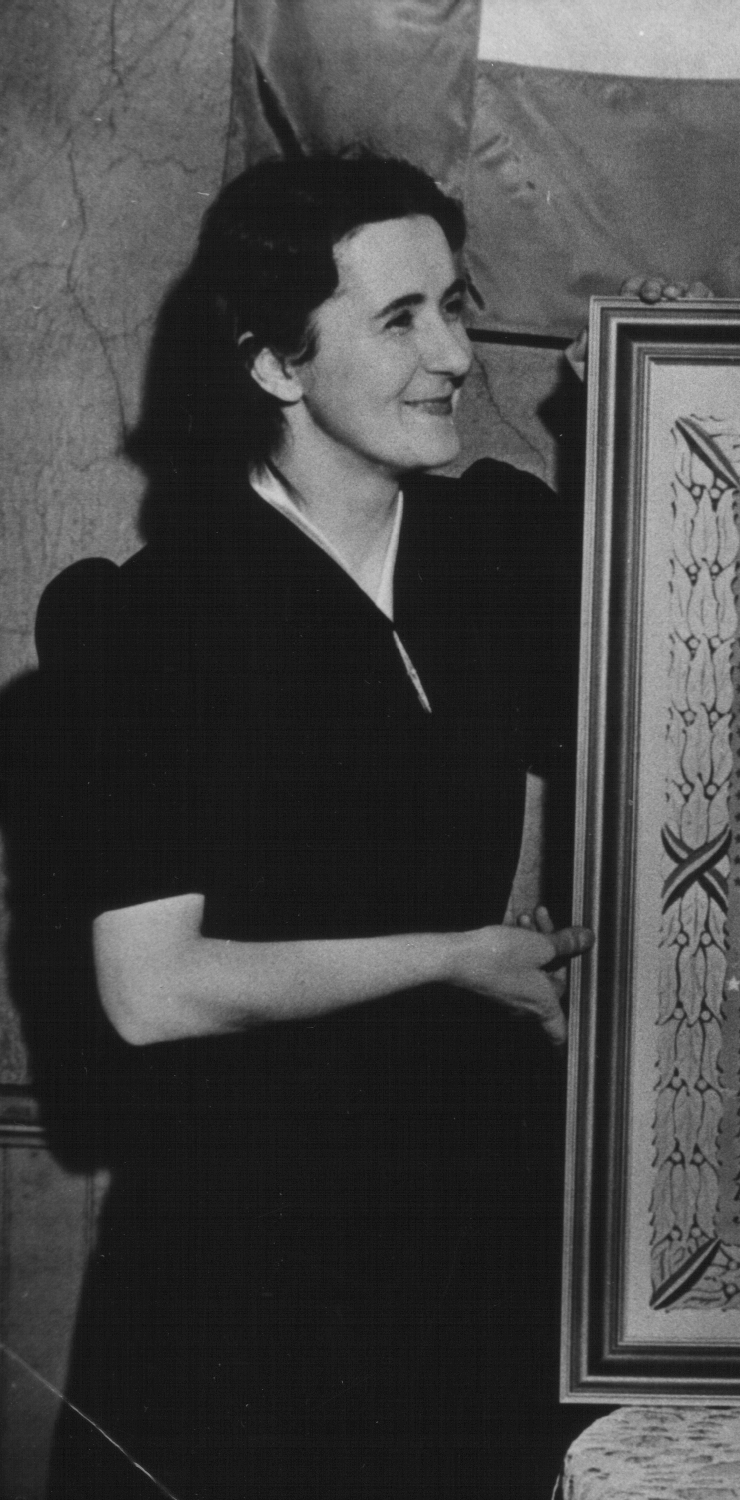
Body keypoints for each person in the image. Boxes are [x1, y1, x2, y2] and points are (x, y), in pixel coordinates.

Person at [42, 153, 593, 1500]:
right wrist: (457, 957)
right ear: (275, 364)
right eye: (399, 319)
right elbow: (151, 990)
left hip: (476, 1223)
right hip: (256, 1254)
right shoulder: (153, 620)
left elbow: (687, 667)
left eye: (454, 306)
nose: (454, 354)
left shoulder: (500, 547)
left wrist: (658, 393)